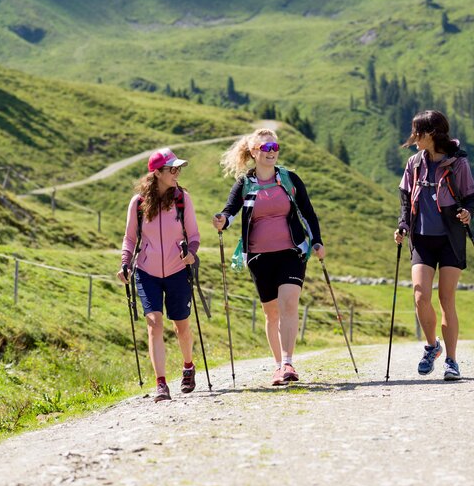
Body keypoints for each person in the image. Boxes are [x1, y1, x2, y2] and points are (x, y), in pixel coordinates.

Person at [213, 128, 324, 386]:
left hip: (292, 252)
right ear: (254, 152)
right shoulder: (244, 184)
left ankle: (288, 363)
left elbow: (307, 212)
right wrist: (222, 220)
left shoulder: (289, 179)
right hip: (259, 257)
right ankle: (277, 366)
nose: (271, 152)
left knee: (289, 303)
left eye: (275, 147)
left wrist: (317, 241)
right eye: (265, 148)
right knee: (271, 313)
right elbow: (230, 211)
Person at [394, 111, 474, 381]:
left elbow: (472, 199)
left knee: (446, 299)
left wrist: (467, 212)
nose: (413, 137)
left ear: (431, 134)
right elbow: (406, 199)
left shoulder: (458, 163)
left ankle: (452, 361)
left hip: (450, 239)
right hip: (422, 239)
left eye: (417, 132)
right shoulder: (414, 163)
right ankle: (432, 347)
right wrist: (402, 225)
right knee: (420, 295)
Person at [118, 148, 200, 402]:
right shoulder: (139, 203)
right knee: (154, 323)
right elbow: (130, 238)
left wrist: (191, 254)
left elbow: (194, 235)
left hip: (178, 271)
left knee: (181, 327)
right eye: (172, 169)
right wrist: (125, 263)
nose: (177, 173)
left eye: (178, 168)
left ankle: (188, 366)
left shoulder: (182, 199)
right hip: (146, 272)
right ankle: (161, 383)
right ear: (157, 172)